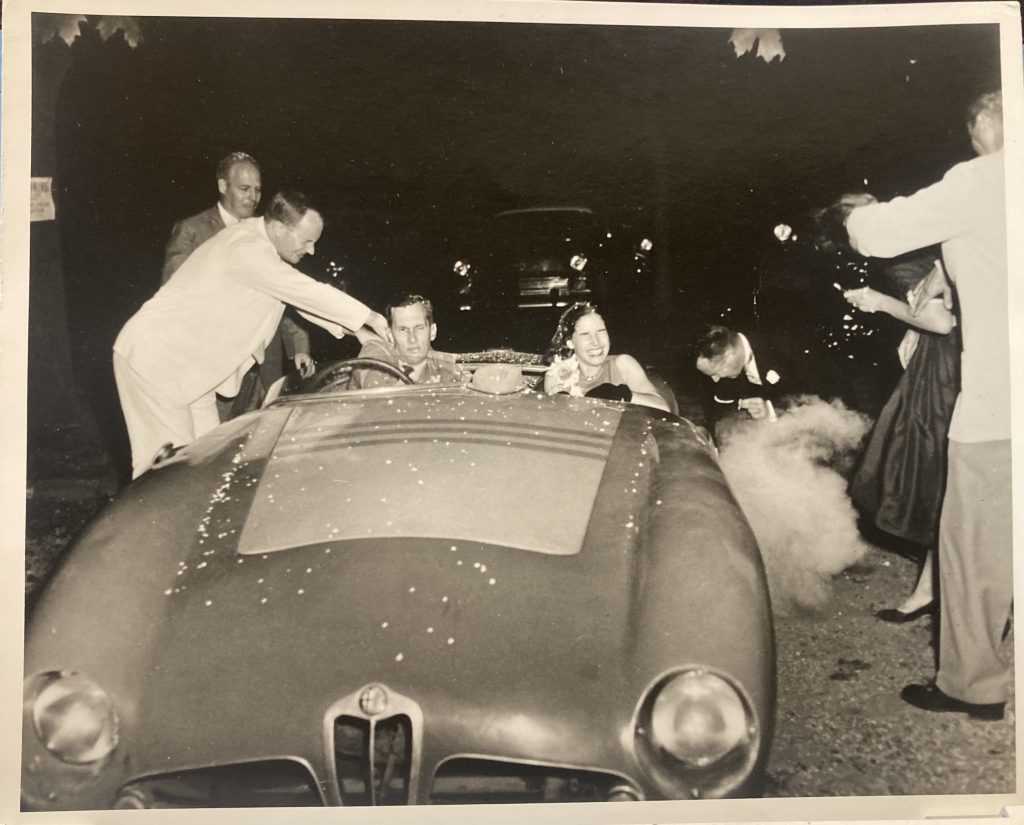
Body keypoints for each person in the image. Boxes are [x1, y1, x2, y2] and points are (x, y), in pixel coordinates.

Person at [845, 89, 1010, 720]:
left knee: (976, 541)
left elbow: (874, 233)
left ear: (986, 129)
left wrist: (863, 210)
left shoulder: (981, 178)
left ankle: (973, 685)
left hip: (1000, 400)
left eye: (972, 134)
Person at [114, 190, 389, 479]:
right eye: (307, 241)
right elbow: (301, 290)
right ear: (280, 227)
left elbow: (296, 298)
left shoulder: (262, 250)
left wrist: (359, 331)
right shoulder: (246, 247)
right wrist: (371, 317)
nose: (311, 251)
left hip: (190, 370)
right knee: (167, 476)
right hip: (156, 360)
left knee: (209, 464)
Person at [843, 256, 959, 622]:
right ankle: (929, 590)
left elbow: (941, 321)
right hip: (944, 363)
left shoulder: (905, 258)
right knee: (942, 482)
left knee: (944, 478)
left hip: (955, 370)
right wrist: (914, 326)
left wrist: (881, 303)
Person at [161, 152, 314, 418]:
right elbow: (176, 299)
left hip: (264, 367)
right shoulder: (191, 231)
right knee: (214, 445)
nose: (252, 197)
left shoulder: (268, 232)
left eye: (257, 190)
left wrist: (299, 347)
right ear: (222, 186)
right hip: (215, 367)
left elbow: (284, 292)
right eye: (244, 189)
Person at [542, 303, 670, 412]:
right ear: (570, 342)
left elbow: (664, 408)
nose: (596, 342)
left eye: (601, 331)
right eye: (585, 334)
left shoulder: (623, 364)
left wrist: (623, 395)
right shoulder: (557, 374)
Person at [694, 324, 802, 430]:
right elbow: (720, 412)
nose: (715, 379)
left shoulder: (789, 348)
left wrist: (771, 409)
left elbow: (813, 400)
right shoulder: (727, 366)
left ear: (729, 354)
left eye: (714, 373)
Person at [350, 294, 462, 388]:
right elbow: (381, 404)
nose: (412, 339)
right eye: (403, 329)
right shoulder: (376, 356)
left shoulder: (447, 368)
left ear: (432, 332)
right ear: (390, 335)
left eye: (419, 328)